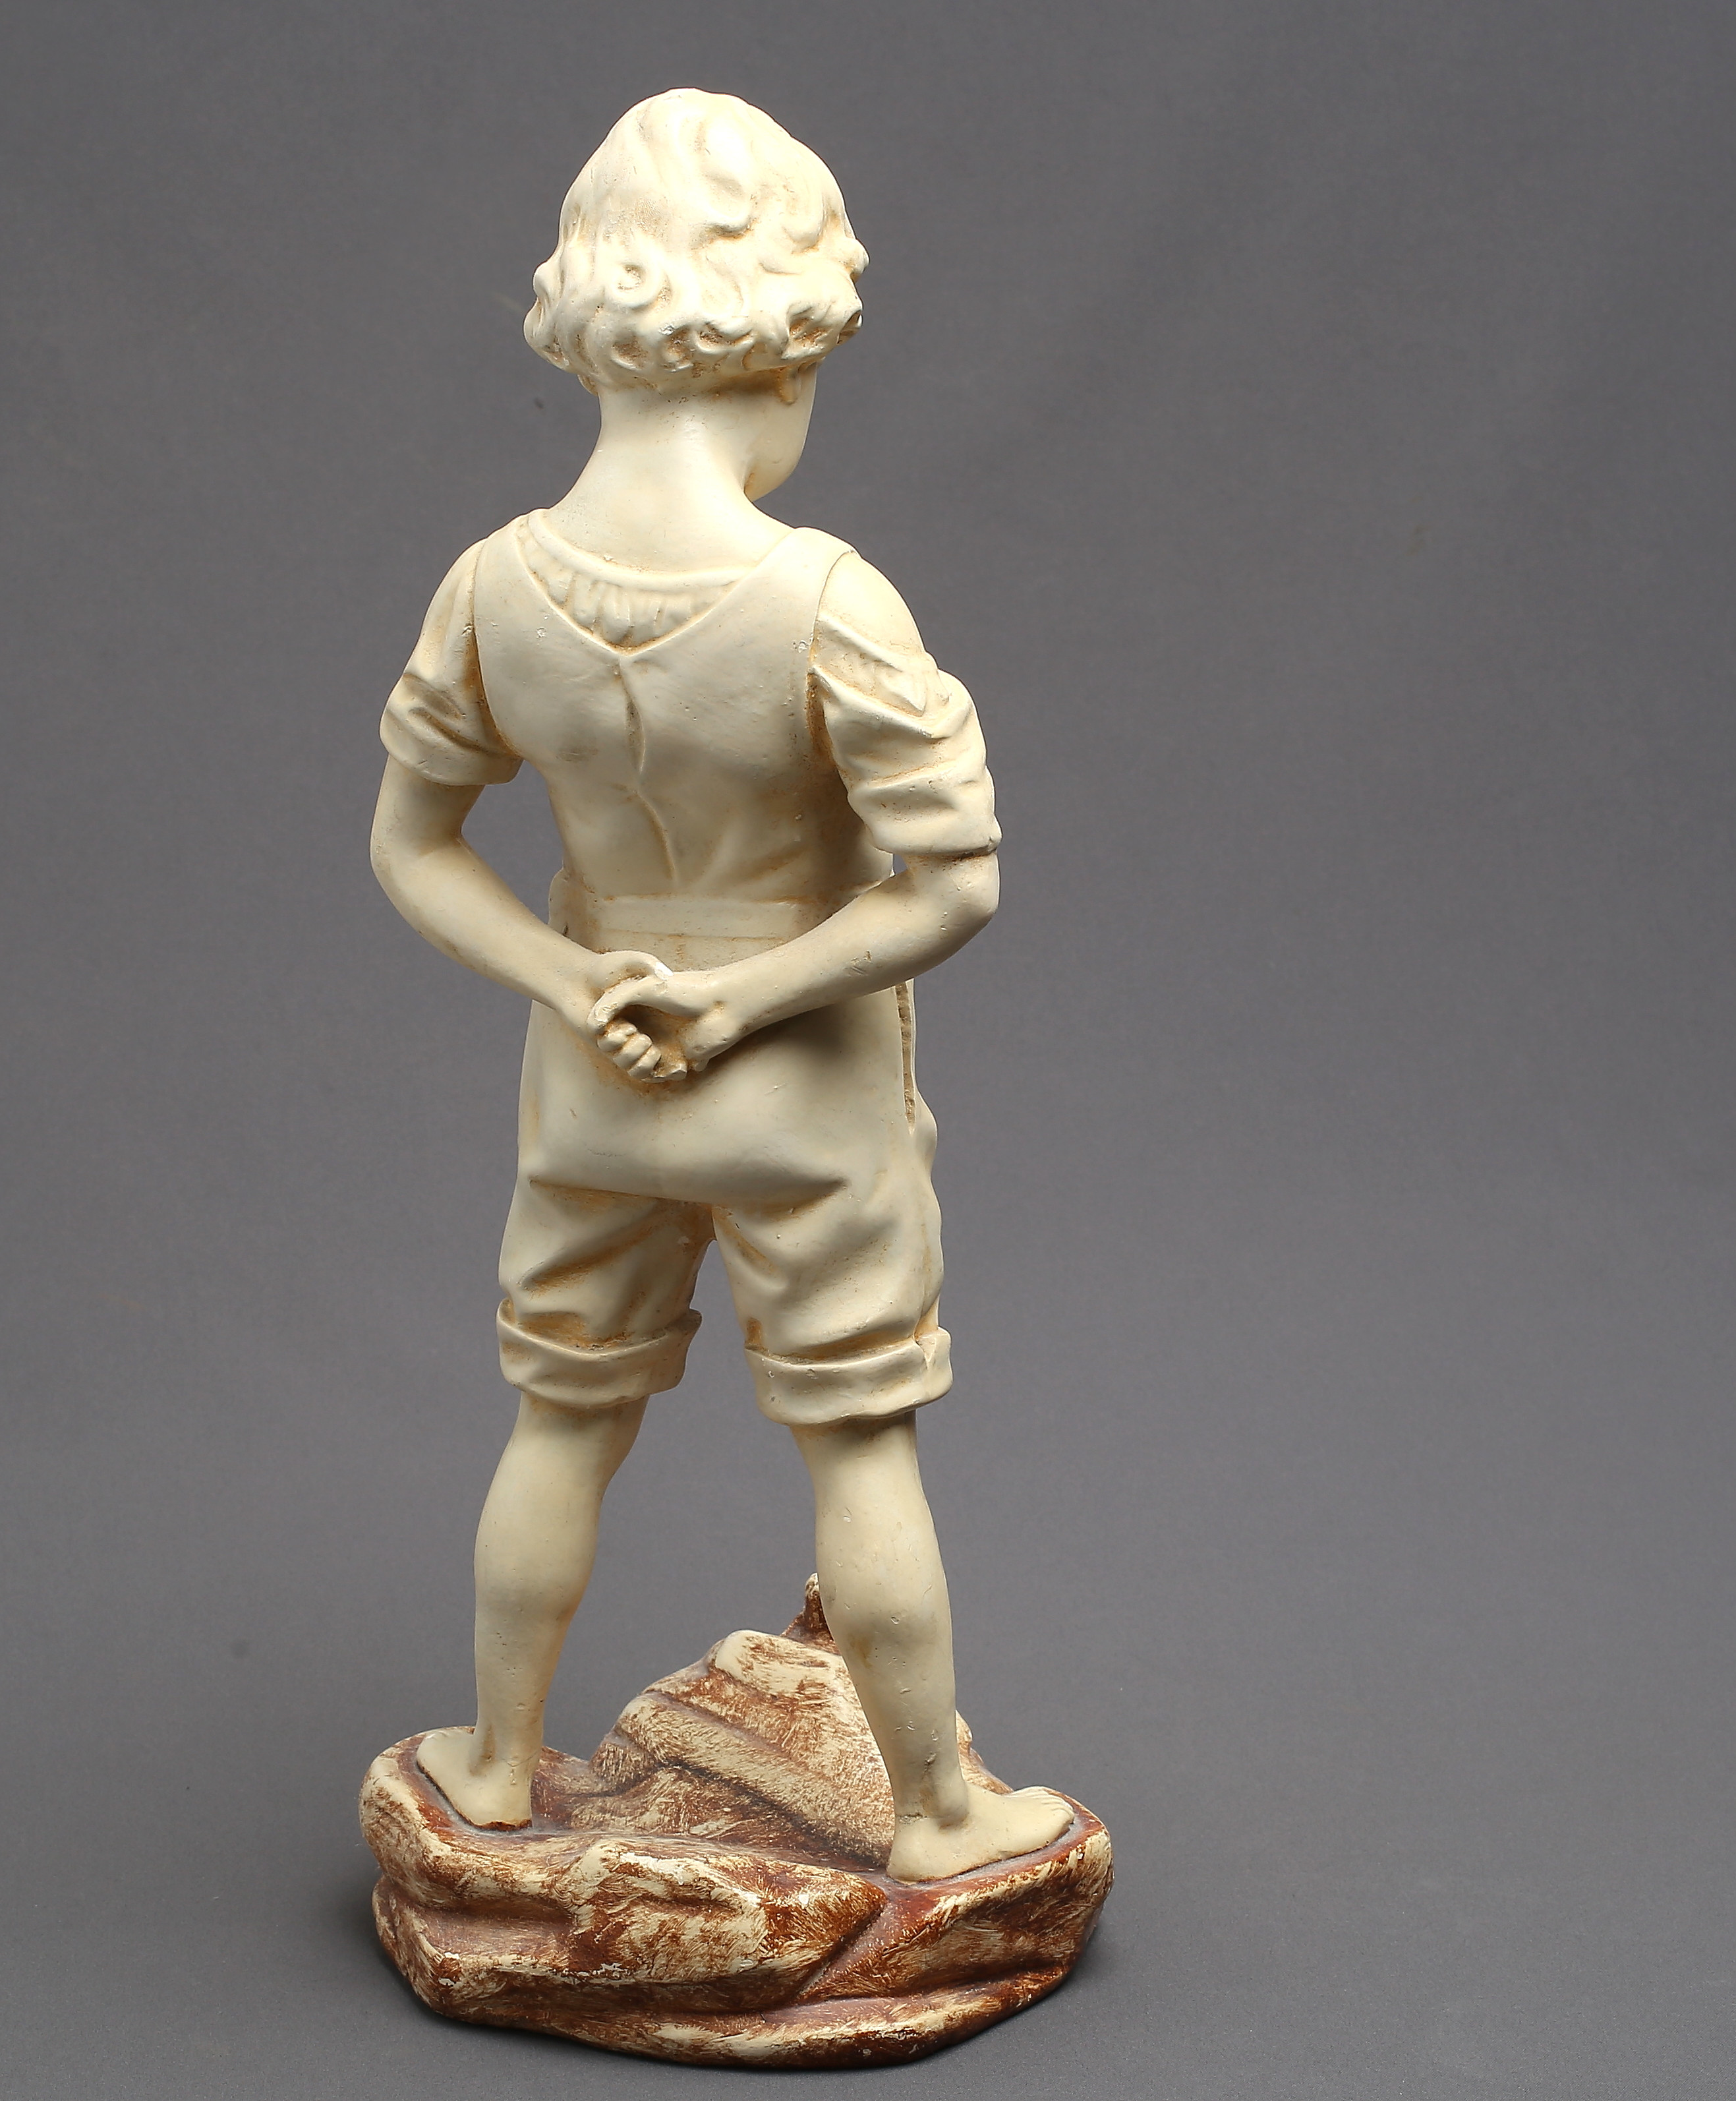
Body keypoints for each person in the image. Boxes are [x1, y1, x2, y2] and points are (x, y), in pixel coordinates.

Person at [369, 88, 1071, 1883]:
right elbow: (955, 880)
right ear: (785, 355)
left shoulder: (493, 588)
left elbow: (414, 846)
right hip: (804, 1090)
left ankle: (494, 1763)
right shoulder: (826, 600)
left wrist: (572, 976)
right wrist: (744, 1002)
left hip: (594, 1079)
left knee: (560, 1417)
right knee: (858, 1448)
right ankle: (935, 1815)